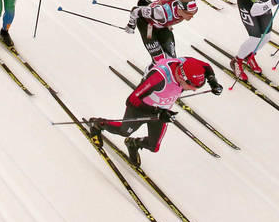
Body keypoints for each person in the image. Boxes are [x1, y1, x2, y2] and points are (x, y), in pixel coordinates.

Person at [87, 56, 220, 167]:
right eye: (191, 86)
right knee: (123, 131)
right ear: (181, 77)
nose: (194, 90)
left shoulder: (187, 63)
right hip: (140, 109)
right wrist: (157, 113)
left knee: (154, 146)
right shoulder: (159, 78)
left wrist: (213, 82)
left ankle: (132, 143)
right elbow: (132, 100)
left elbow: (206, 66)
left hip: (161, 112)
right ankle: (97, 124)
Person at [126, 0, 199, 64]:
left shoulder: (181, 4)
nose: (192, 16)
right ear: (180, 9)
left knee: (171, 60)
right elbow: (135, 10)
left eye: (195, 12)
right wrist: (131, 25)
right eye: (189, 13)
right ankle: (151, 74)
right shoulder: (161, 13)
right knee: (159, 60)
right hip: (147, 25)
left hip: (162, 25)